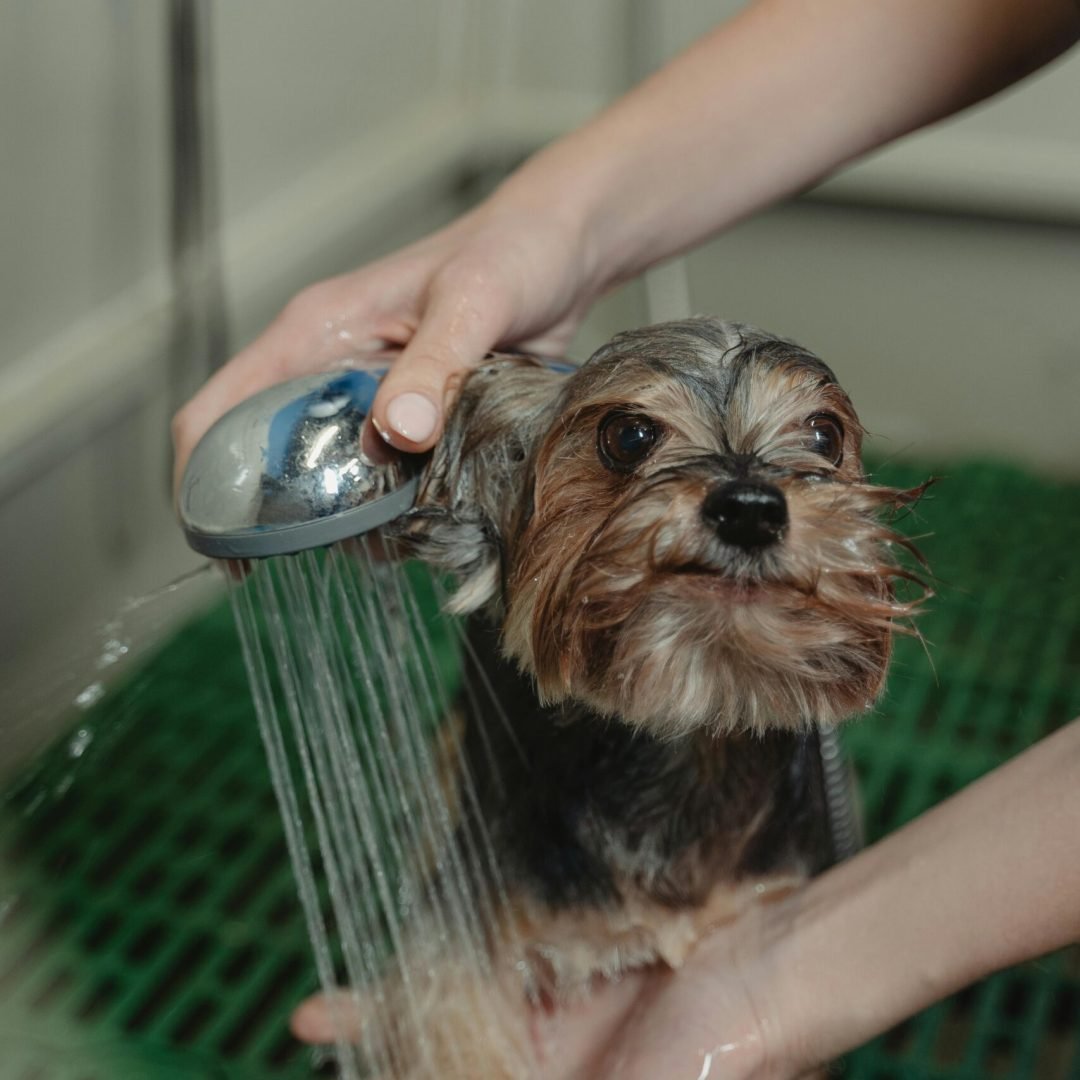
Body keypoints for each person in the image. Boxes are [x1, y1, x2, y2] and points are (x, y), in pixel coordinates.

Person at [173, 1, 1080, 1075]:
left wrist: (779, 984)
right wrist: (551, 223)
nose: (752, 495)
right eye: (635, 439)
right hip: (539, 831)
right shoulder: (500, 503)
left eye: (819, 441)